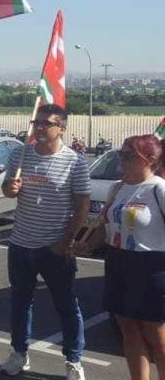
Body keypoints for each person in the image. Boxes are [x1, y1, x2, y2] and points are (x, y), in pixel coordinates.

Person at [0, 104, 90, 380]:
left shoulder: (75, 161)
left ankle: (73, 360)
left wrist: (66, 241)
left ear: (61, 128)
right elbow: (7, 189)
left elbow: (82, 206)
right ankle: (19, 354)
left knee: (67, 306)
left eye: (45, 123)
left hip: (54, 248)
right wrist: (10, 189)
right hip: (20, 244)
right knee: (20, 303)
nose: (38, 128)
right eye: (36, 122)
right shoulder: (20, 154)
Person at [76, 135, 165, 380]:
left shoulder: (158, 188)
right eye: (120, 154)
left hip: (152, 267)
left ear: (149, 159)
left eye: (128, 155)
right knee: (128, 328)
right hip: (118, 263)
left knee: (156, 335)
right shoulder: (117, 188)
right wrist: (87, 245)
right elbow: (106, 228)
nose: (121, 159)